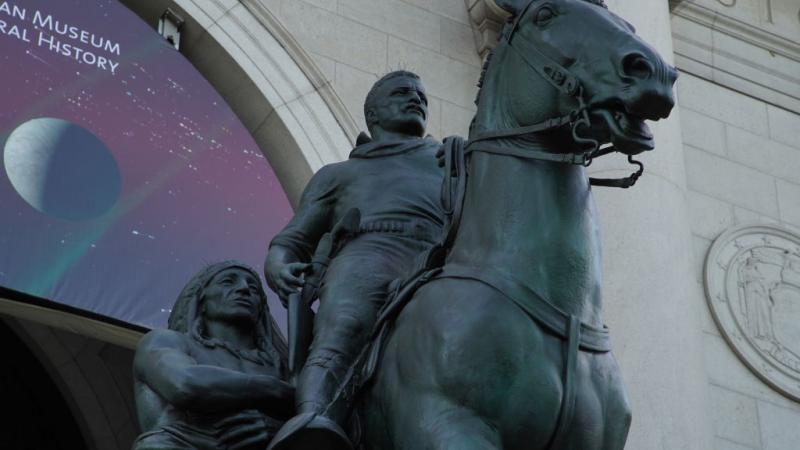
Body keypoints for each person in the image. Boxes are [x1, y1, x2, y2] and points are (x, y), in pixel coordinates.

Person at [266, 71, 445, 450]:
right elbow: (292, 240)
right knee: (345, 323)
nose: (416, 99)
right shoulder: (339, 175)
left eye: (422, 96)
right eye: (402, 93)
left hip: (441, 258)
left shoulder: (450, 161)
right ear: (373, 114)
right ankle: (315, 418)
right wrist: (279, 265)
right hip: (369, 252)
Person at [133, 261, 294, 450]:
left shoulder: (282, 365)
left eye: (254, 288)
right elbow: (185, 384)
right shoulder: (165, 341)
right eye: (227, 282)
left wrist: (282, 430)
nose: (244, 289)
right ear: (201, 300)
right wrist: (278, 391)